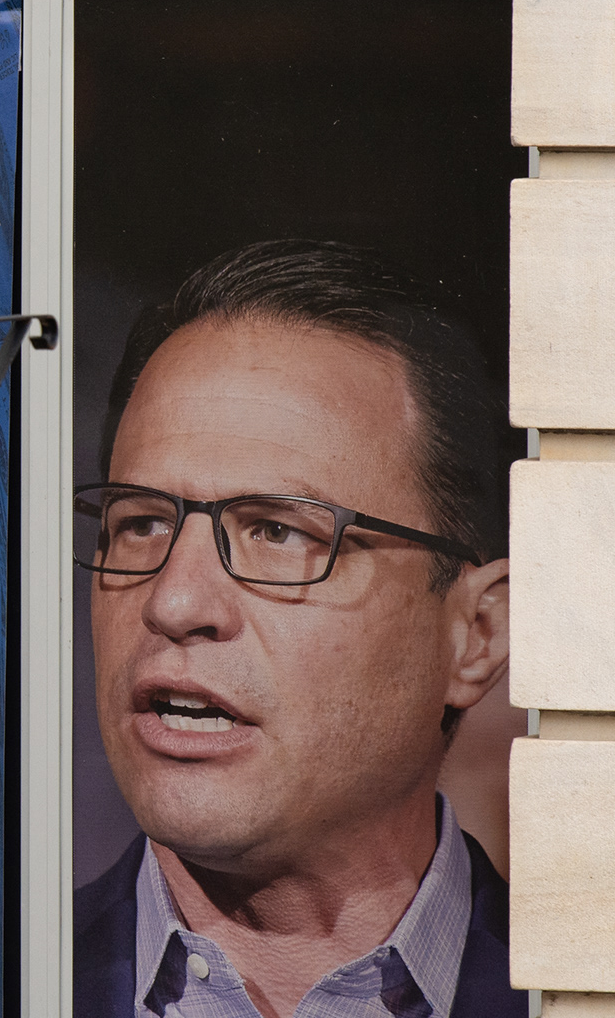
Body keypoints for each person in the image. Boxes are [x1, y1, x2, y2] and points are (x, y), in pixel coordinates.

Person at [72, 240, 515, 1018]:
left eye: (277, 533)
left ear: (475, 634)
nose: (174, 604)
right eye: (141, 524)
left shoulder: (566, 989)